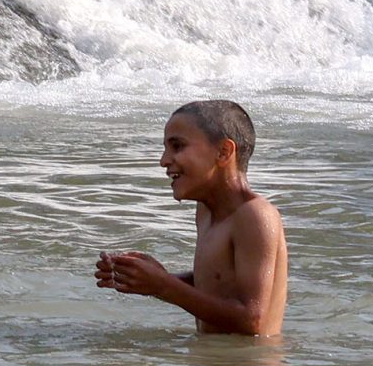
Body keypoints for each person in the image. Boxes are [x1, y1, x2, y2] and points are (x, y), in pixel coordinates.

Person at [95, 99, 286, 336]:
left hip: (252, 359)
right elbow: (217, 283)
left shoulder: (254, 215)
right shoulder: (205, 211)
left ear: (224, 152)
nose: (163, 160)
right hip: (212, 355)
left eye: (177, 146)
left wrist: (163, 285)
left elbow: (252, 321)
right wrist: (148, 279)